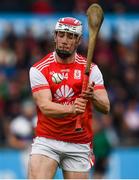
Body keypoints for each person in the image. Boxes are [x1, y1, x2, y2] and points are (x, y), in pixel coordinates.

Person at [28, 17, 110, 179]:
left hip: (79, 142)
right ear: (55, 36)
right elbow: (45, 106)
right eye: (61, 35)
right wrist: (72, 109)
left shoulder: (92, 69)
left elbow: (105, 107)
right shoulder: (39, 69)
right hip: (48, 139)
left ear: (78, 40)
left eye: (71, 37)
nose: (65, 40)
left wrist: (92, 95)